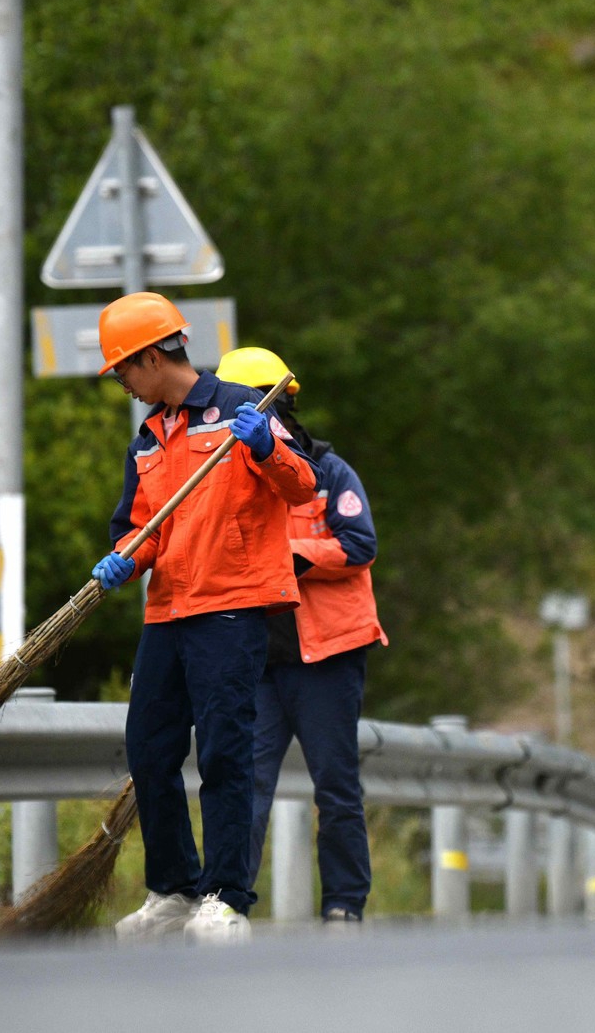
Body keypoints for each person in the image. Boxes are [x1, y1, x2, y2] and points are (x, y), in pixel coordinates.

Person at [89, 295, 317, 944]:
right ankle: (173, 890)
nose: (123, 383)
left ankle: (225, 899)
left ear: (151, 357)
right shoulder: (148, 438)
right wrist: (125, 560)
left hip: (232, 608)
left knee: (223, 751)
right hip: (168, 611)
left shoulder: (244, 408)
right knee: (149, 750)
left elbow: (302, 485)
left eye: (123, 370)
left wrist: (267, 448)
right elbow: (140, 530)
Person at [216, 348, 388, 924]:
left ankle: (343, 905)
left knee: (335, 788)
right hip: (258, 663)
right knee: (244, 786)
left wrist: (288, 555)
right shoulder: (226, 474)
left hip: (327, 659)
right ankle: (227, 905)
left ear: (280, 403)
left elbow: (359, 545)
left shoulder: (329, 473)